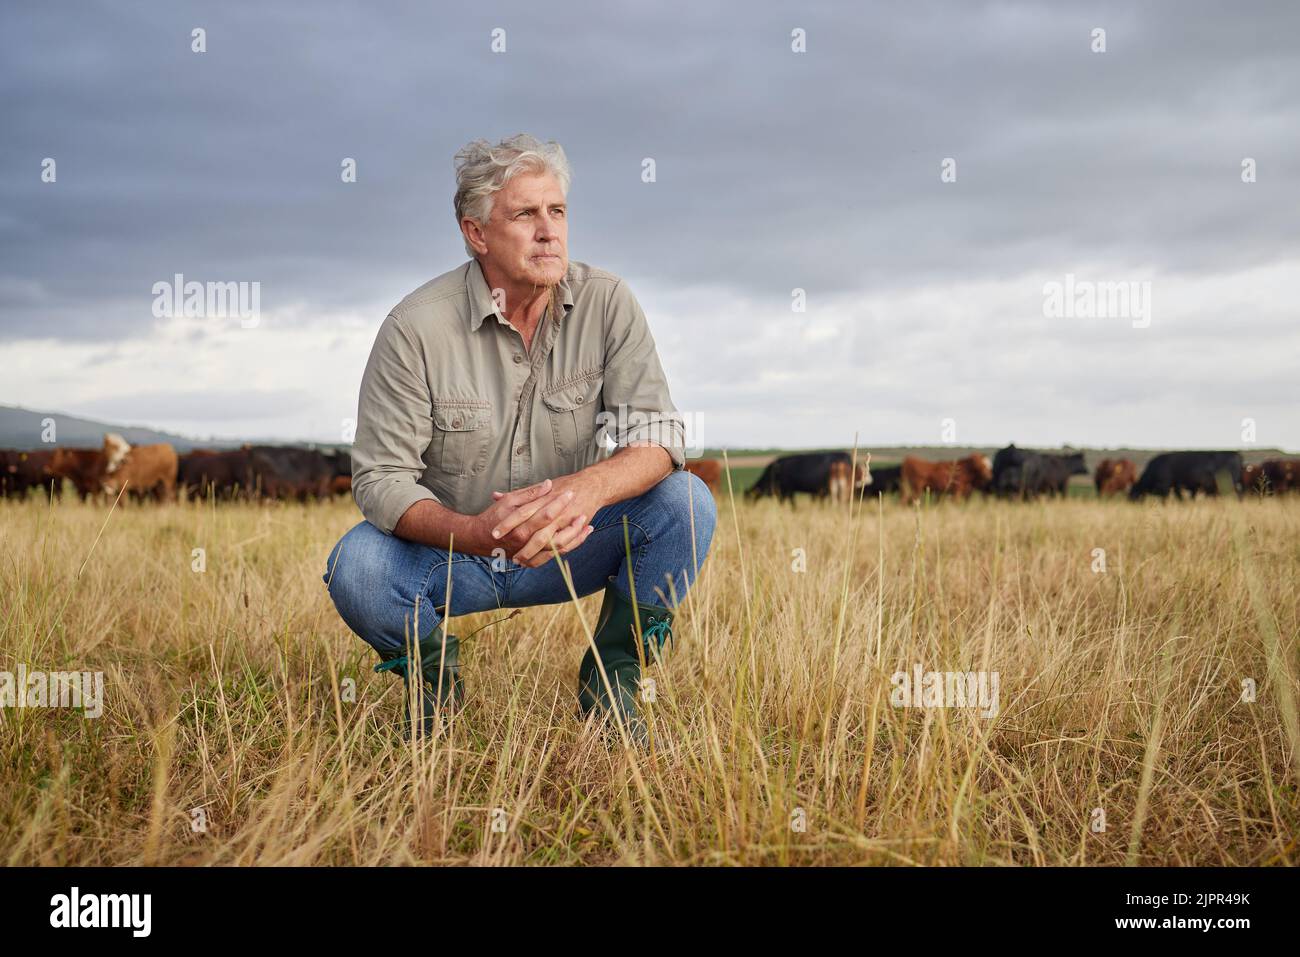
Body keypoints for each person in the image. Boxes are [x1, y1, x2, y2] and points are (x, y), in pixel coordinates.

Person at [322, 133, 716, 746]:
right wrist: (479, 533)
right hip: (457, 555)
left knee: (688, 505)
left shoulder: (608, 302)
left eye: (556, 212)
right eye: (525, 214)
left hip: (573, 541)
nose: (548, 231)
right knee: (359, 568)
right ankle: (436, 691)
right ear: (476, 234)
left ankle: (612, 683)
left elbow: (659, 435)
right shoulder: (414, 328)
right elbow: (380, 481)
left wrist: (584, 492)